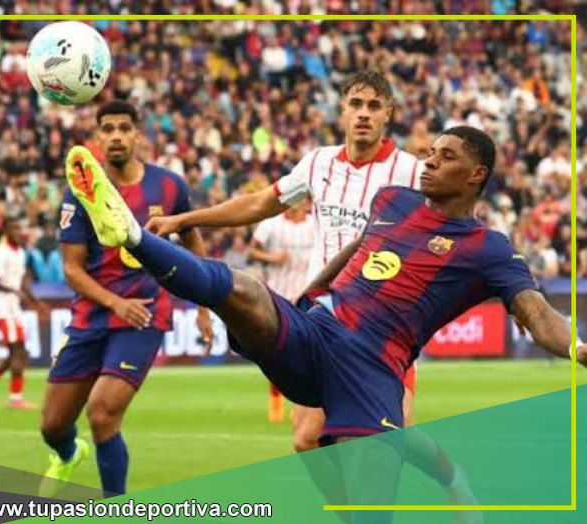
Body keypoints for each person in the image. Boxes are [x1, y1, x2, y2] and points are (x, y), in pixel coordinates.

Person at [64, 127, 587, 524]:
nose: (429, 162)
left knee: (371, 508)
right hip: (319, 331)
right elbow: (357, 252)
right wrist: (311, 296)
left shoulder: (487, 248)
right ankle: (130, 235)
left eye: (446, 158)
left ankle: (449, 487)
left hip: (373, 368)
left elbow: (536, 313)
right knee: (243, 288)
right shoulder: (393, 201)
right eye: (430, 153)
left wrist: (577, 347)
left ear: (476, 175)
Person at [148, 70, 424, 450]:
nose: (364, 114)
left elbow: (453, 233)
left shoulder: (412, 172)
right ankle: (349, 513)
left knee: (390, 442)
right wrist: (184, 219)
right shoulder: (318, 164)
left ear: (388, 114)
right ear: (342, 111)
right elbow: (260, 203)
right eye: (356, 104)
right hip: (324, 318)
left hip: (384, 325)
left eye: (374, 106)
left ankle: (444, 480)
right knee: (307, 441)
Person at [39, 100, 213, 497]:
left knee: (102, 413)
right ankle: (68, 454)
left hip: (145, 314)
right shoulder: (80, 191)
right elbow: (72, 270)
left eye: (123, 128)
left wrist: (204, 306)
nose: (116, 136)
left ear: (138, 134)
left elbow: (191, 237)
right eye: (108, 129)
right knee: (52, 426)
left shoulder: (169, 186)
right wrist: (114, 303)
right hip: (94, 315)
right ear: (98, 137)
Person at [248, 198, 315, 423]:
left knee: (308, 355)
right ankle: (275, 401)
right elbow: (252, 251)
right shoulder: (271, 225)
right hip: (278, 295)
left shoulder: (315, 224)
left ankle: (301, 405)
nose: (297, 205)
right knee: (277, 353)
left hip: (308, 296)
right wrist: (272, 258)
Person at [0, 214, 46, 409]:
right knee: (18, 352)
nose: (18, 232)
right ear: (5, 231)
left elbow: (21, 283)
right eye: (13, 229)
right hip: (2, 309)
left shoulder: (19, 253)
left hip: (14, 309)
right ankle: (15, 398)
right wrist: (15, 292)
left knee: (17, 353)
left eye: (19, 229)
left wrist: (37, 303)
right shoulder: (0, 254)